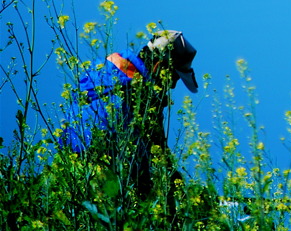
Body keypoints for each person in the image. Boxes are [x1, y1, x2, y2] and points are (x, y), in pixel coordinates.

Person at [60, 29, 198, 216]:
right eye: (173, 77)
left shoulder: (101, 71)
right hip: (108, 186)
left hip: (70, 173)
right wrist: (179, 196)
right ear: (158, 65)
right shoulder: (142, 94)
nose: (172, 86)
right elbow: (159, 155)